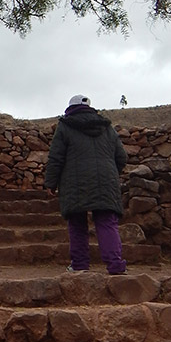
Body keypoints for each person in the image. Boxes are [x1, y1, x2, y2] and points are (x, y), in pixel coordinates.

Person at [44, 94, 128, 275]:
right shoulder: (107, 127)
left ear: (70, 109)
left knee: (77, 223)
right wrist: (111, 174)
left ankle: (80, 265)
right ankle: (115, 265)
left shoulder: (65, 126)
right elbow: (122, 157)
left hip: (75, 184)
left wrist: (50, 182)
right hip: (106, 181)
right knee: (107, 222)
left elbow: (56, 158)